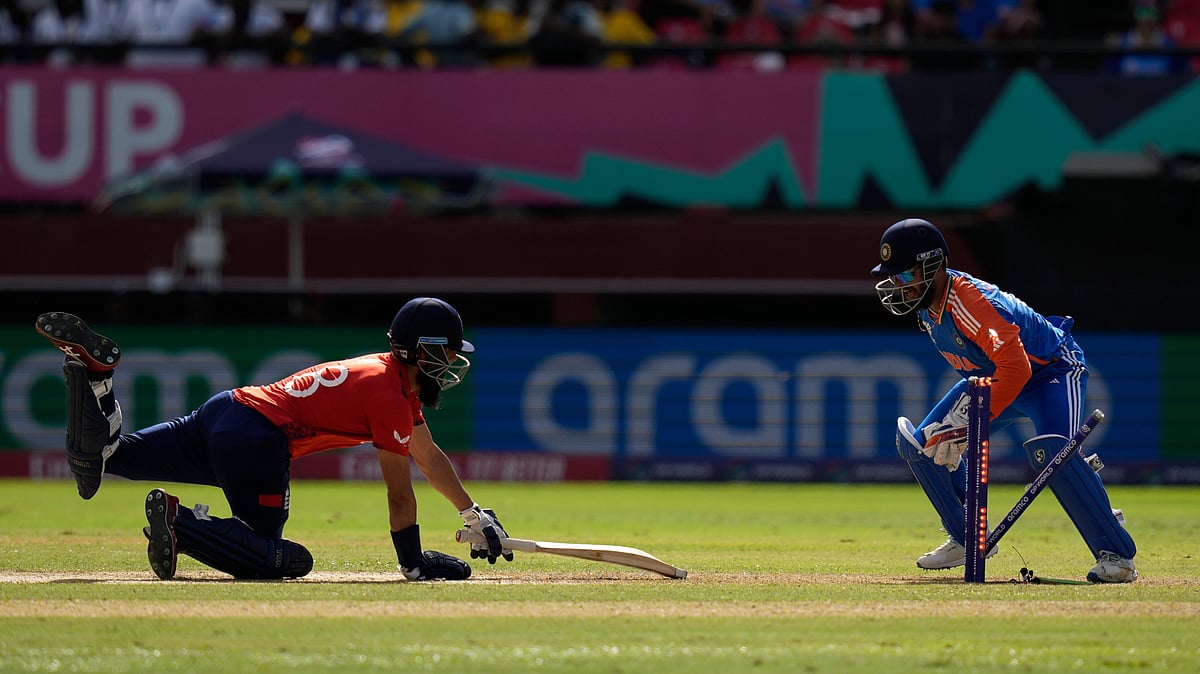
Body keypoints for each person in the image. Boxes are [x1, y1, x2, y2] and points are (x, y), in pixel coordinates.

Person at [34, 298, 514, 581]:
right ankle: (179, 523)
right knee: (281, 557)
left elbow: (428, 457)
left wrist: (473, 514)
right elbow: (399, 493)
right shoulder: (388, 394)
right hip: (256, 441)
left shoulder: (388, 377)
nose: (451, 363)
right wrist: (413, 564)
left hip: (227, 412)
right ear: (423, 349)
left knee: (109, 457)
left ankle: (97, 382)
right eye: (447, 352)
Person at [869, 218, 1138, 583]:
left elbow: (1017, 365)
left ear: (932, 266)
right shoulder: (928, 309)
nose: (898, 285)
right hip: (995, 379)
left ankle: (1116, 556)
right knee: (923, 443)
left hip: (1051, 371)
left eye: (905, 276)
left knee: (1054, 454)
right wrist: (957, 426)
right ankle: (966, 538)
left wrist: (972, 424)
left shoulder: (970, 302)